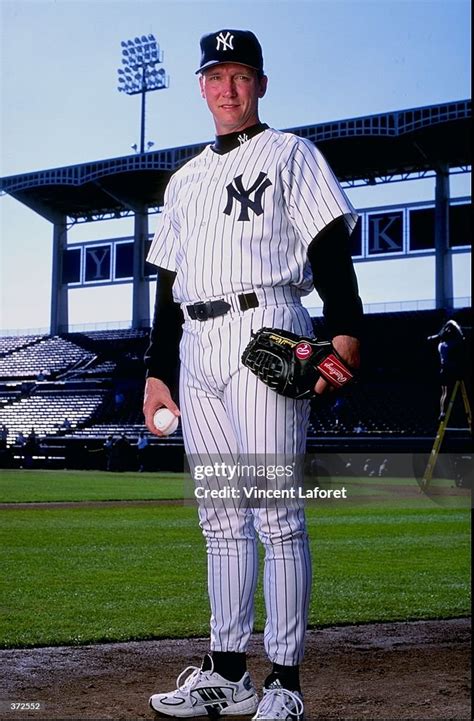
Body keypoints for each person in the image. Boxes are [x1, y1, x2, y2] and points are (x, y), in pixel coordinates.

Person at [143, 29, 363, 721]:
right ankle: (228, 670)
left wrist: (346, 330)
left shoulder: (292, 154)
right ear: (202, 87)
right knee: (220, 515)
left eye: (241, 75)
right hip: (195, 345)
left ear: (260, 84)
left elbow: (329, 246)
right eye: (216, 76)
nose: (228, 87)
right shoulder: (182, 182)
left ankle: (286, 681)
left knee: (274, 511)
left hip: (264, 326)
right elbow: (167, 284)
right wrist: (156, 371)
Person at [428, 319, 466, 421]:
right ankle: (445, 413)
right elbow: (461, 337)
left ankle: (442, 412)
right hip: (450, 371)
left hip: (444, 370)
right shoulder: (451, 344)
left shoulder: (441, 345)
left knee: (445, 393)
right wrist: (454, 324)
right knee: (447, 393)